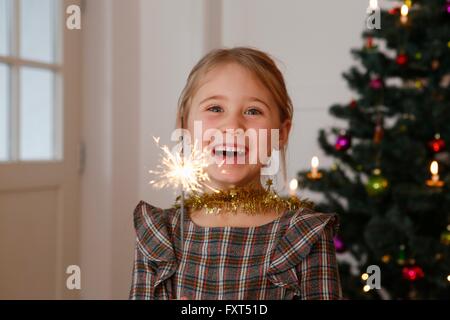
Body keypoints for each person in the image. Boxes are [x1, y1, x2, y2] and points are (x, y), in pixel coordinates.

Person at [129, 47, 342, 300]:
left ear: (281, 133)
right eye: (215, 108)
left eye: (253, 111)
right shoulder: (158, 235)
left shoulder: (304, 235)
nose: (232, 126)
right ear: (184, 124)